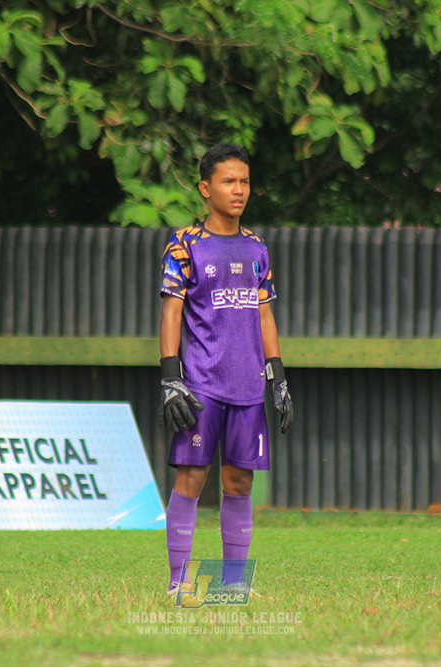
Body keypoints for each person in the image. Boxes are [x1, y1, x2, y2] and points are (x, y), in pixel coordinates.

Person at [158, 142, 293, 596]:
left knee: (239, 480)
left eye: (245, 182)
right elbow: (172, 313)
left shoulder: (257, 248)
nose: (239, 190)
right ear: (205, 188)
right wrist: (170, 378)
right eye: (228, 181)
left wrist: (278, 377)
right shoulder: (185, 245)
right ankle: (179, 583)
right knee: (192, 477)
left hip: (248, 385)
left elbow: (264, 315)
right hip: (201, 384)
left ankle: (234, 584)